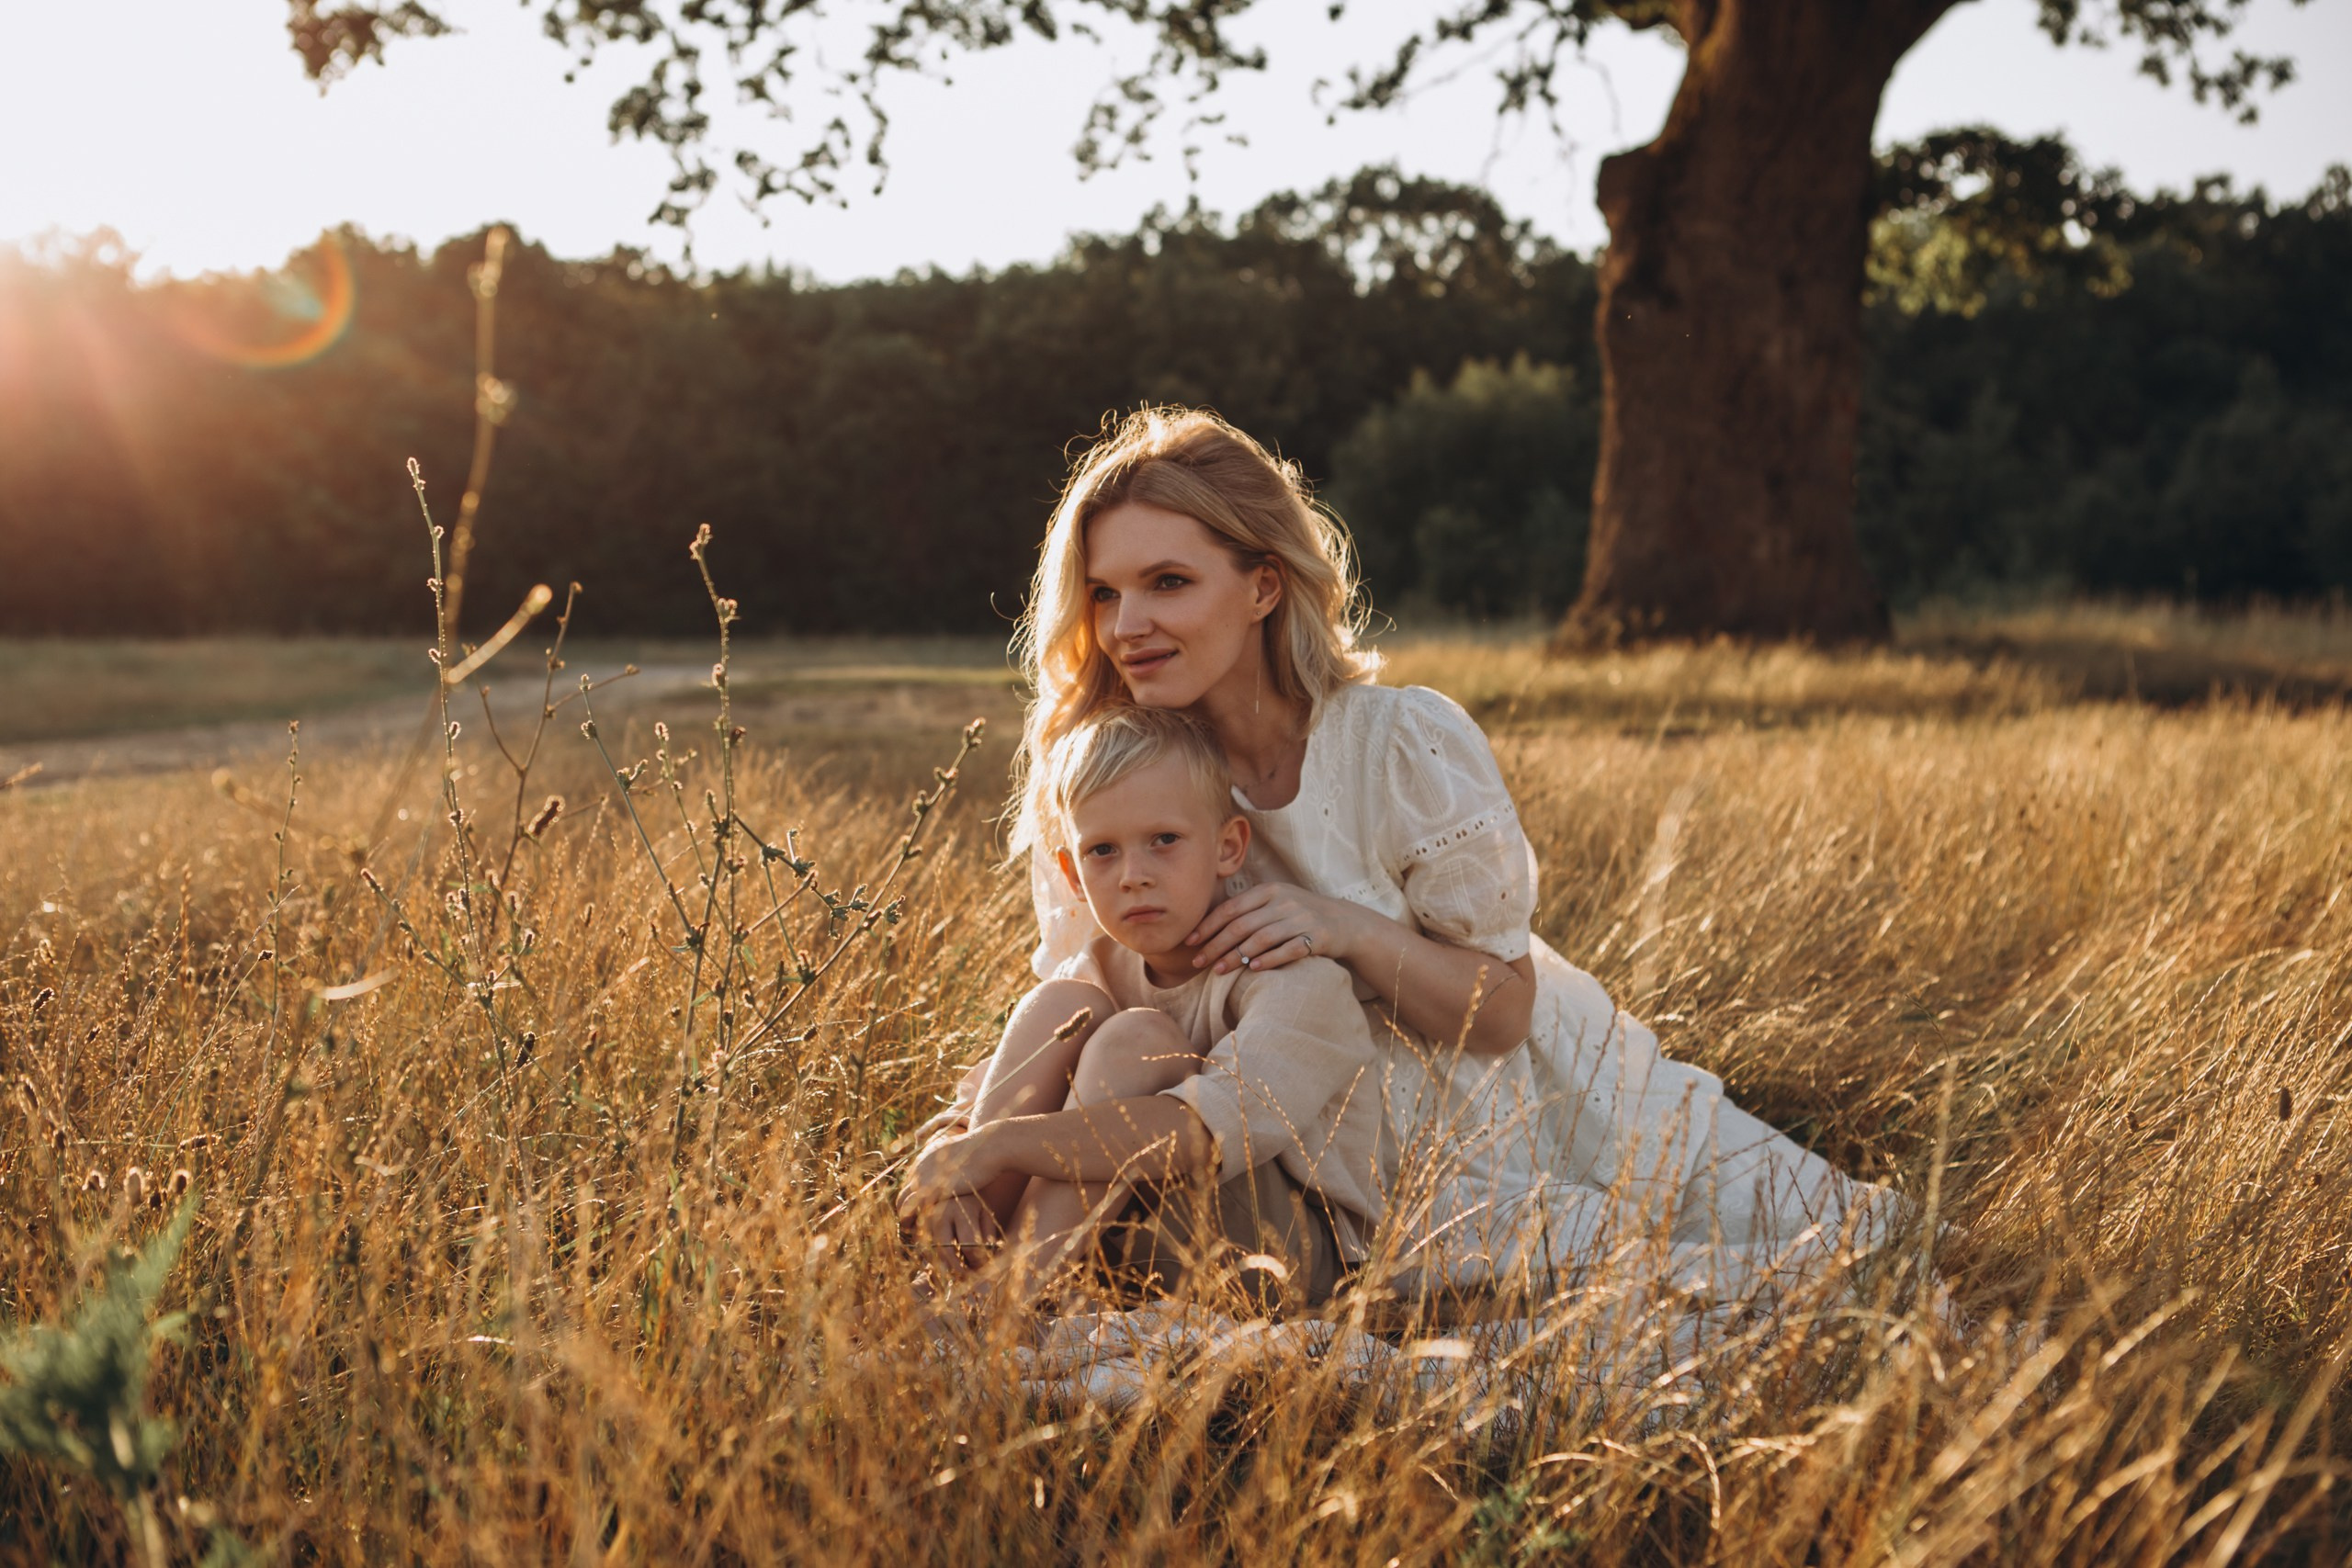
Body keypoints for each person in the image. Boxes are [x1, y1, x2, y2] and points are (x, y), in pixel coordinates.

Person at [907, 406, 1892, 1305]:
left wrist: (1343, 929)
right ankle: (1004, 1300)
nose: (1127, 627)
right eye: (1105, 592)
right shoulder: (1101, 772)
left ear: (1262, 586)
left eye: (1168, 583)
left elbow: (1504, 1013)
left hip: (1471, 1108)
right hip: (1240, 1109)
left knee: (1830, 1254)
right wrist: (970, 1138)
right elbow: (1083, 1000)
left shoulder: (1396, 743)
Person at [899, 703, 1385, 1312]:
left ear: (1229, 846)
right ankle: (960, 1282)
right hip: (1128, 1233)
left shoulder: (1291, 978)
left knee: (1138, 1040)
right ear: (1073, 876)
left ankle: (998, 1305)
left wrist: (994, 1145)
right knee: (1060, 1003)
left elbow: (1199, 1136)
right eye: (1103, 850)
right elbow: (972, 1107)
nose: (1133, 874)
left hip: (1278, 1255)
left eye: (1164, 840)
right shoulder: (1095, 970)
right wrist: (955, 1168)